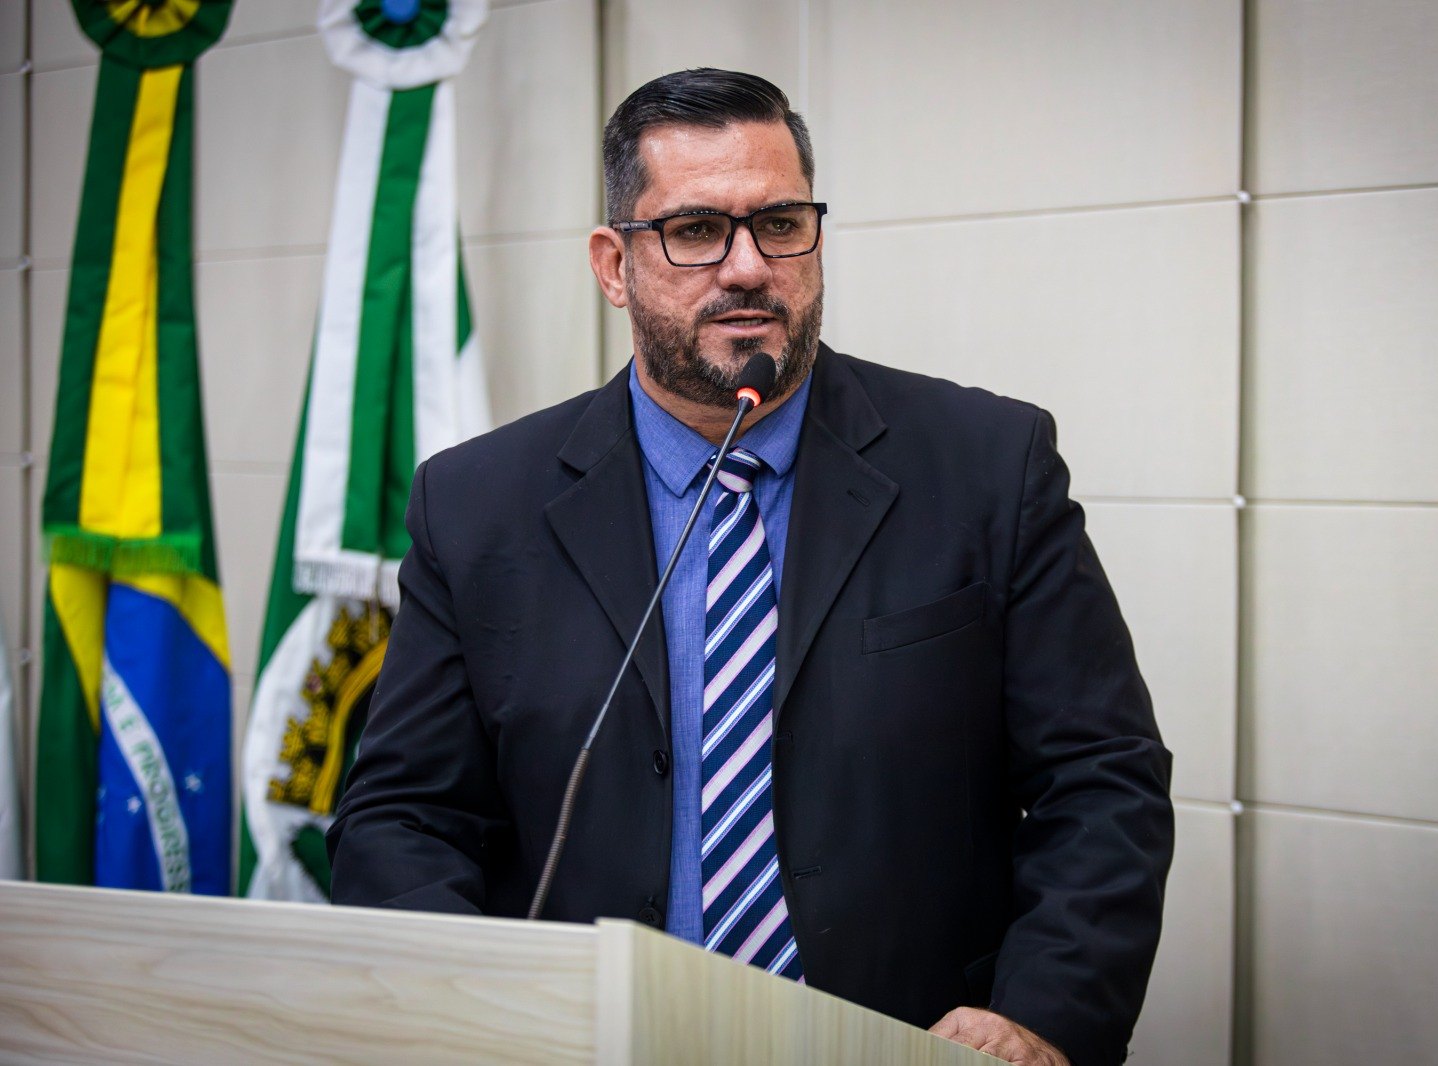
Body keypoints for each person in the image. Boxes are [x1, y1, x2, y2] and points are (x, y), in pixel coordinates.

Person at [328, 68, 1173, 1066]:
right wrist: (474, 1021)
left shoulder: (988, 465)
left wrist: (1038, 1014)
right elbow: (402, 817)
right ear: (613, 265)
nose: (746, 267)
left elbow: (1101, 780)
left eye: (779, 224)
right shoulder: (476, 504)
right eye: (694, 230)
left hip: (902, 1043)